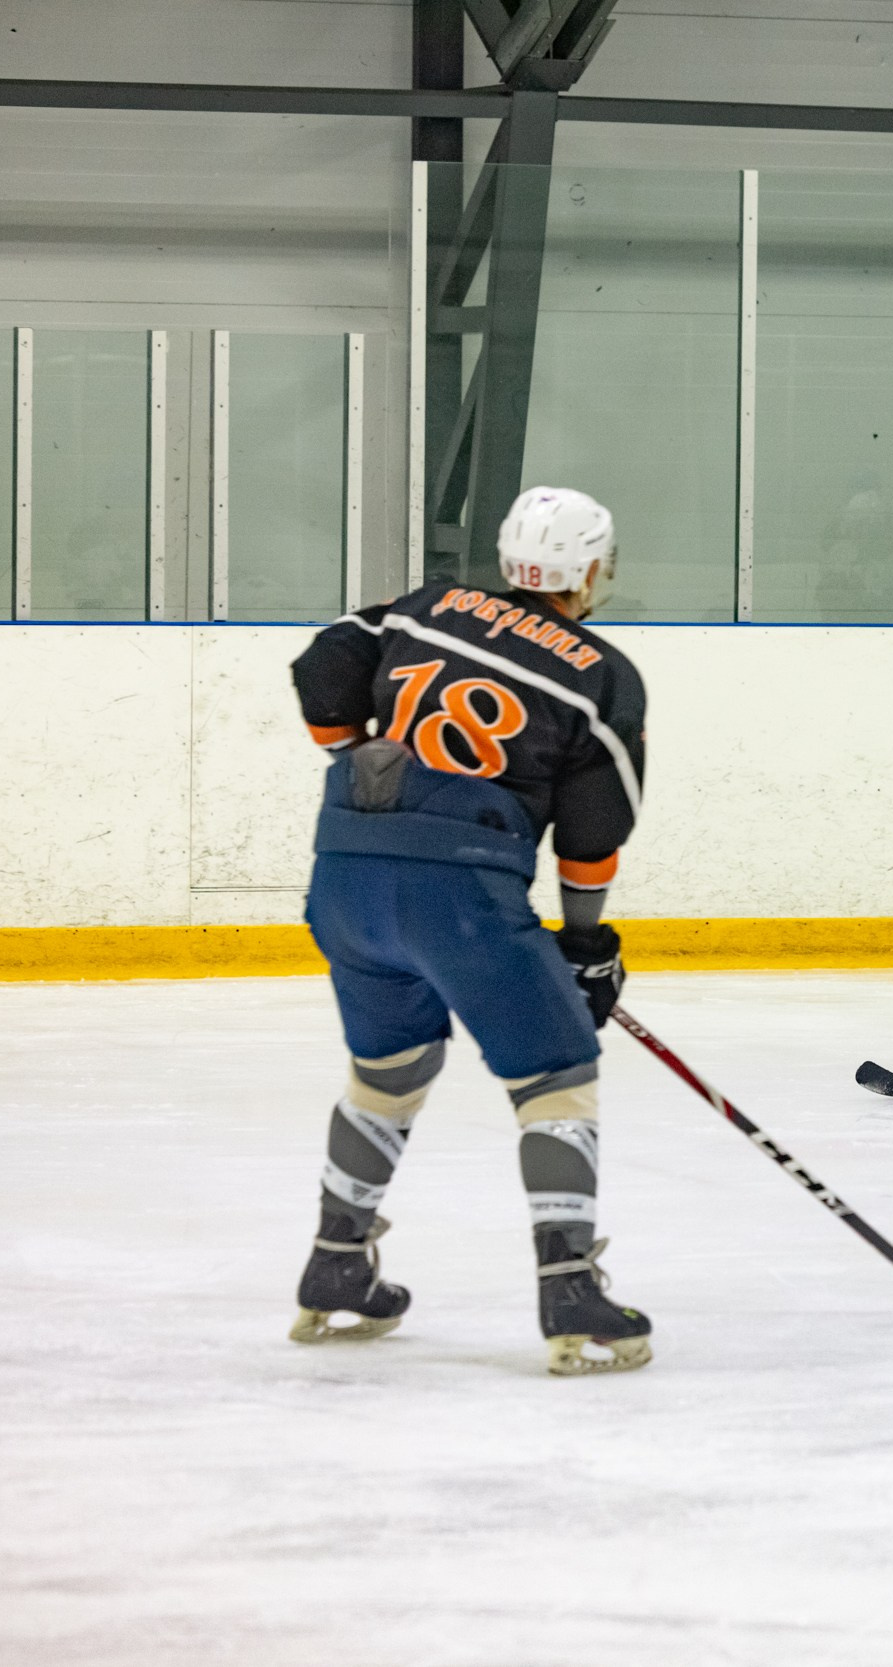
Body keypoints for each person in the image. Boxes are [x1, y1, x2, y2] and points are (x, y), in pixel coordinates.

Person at [285, 487, 653, 1377]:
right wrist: (586, 945)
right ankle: (569, 1286)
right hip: (460, 897)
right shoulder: (600, 673)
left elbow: (321, 671)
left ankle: (336, 1264)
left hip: (347, 877)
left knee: (390, 1068)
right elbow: (593, 833)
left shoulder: (422, 607)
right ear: (592, 570)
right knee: (554, 1076)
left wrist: (361, 762)